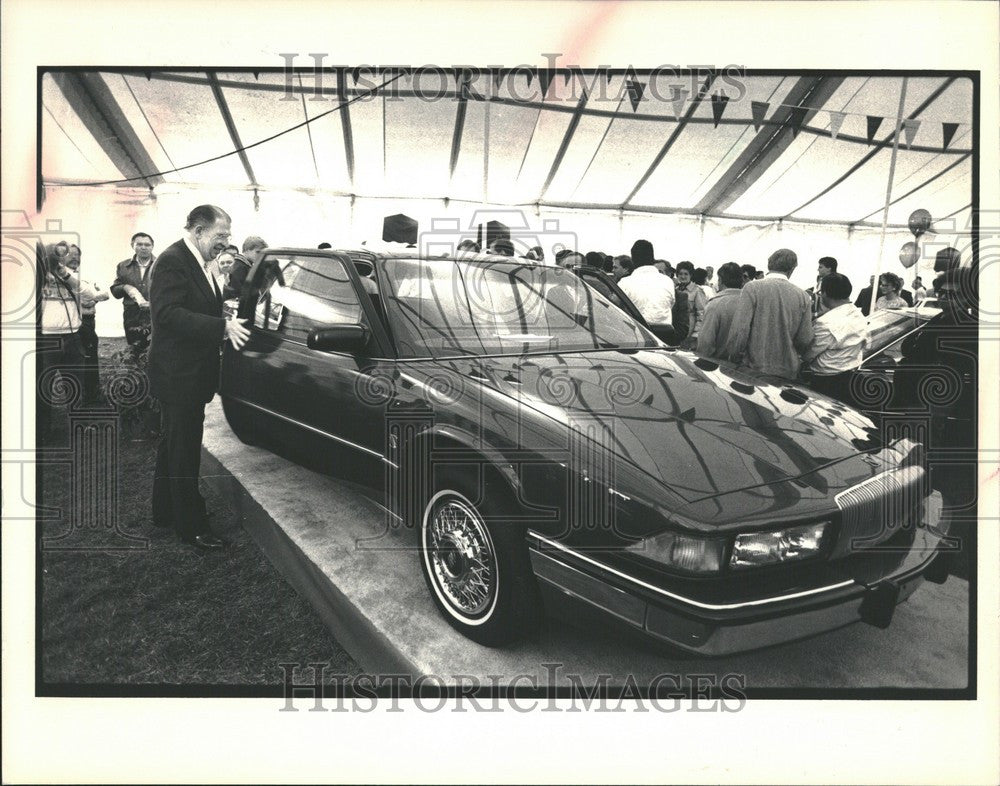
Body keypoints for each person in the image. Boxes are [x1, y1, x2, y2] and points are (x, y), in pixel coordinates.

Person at [148, 205, 251, 551]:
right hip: (179, 375)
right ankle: (191, 527)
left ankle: (165, 511)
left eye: (227, 236)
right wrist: (222, 326)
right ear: (198, 231)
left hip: (188, 373)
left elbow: (196, 308)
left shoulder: (199, 262)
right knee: (184, 452)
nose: (225, 242)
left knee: (172, 447)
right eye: (220, 235)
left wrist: (224, 315)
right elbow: (167, 313)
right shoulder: (173, 260)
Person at [37, 243, 100, 434]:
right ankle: (41, 430)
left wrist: (64, 274)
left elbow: (91, 295)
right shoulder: (37, 277)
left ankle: (78, 425)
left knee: (74, 383)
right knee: (42, 385)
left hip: (73, 337)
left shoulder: (73, 277)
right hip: (46, 339)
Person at [725, 248, 813, 380]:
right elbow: (804, 339)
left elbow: (740, 331)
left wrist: (734, 357)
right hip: (787, 370)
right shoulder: (803, 296)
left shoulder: (752, 288)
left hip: (753, 368)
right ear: (792, 269)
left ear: (769, 265)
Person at [800, 273, 868, 402]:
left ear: (824, 293)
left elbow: (808, 354)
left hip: (825, 381)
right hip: (849, 376)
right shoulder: (858, 315)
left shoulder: (826, 322)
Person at [65, 245, 109, 403]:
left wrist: (92, 297)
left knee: (90, 357)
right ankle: (76, 396)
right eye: (71, 254)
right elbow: (83, 299)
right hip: (71, 324)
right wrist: (89, 298)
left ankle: (92, 394)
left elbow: (105, 294)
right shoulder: (59, 277)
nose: (75, 258)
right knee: (75, 359)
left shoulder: (86, 277)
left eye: (78, 255)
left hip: (89, 323)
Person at [111, 232, 156, 358]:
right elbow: (115, 291)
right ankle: (135, 375)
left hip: (154, 314)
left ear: (152, 246)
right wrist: (125, 287)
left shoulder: (161, 265)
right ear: (132, 245)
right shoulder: (123, 266)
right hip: (131, 315)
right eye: (139, 244)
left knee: (153, 349)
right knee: (133, 349)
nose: (143, 247)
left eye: (147, 244)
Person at [619, 240, 674, 327]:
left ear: (633, 260)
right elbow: (670, 305)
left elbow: (616, 310)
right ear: (652, 258)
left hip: (636, 335)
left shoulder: (624, 283)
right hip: (664, 336)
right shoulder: (668, 281)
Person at [696, 262, 743, 361]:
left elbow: (705, 344)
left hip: (719, 367)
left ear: (720, 280)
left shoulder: (715, 304)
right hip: (746, 370)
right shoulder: (750, 303)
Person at [674, 261, 708, 348]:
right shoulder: (675, 290)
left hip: (690, 335)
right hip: (677, 332)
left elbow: (702, 314)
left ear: (691, 275)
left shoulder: (697, 291)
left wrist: (695, 334)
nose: (683, 276)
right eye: (680, 274)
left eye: (686, 274)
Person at [223, 235, 268, 301]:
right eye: (258, 252)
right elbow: (236, 294)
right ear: (247, 250)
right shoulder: (239, 267)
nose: (260, 256)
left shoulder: (245, 266)